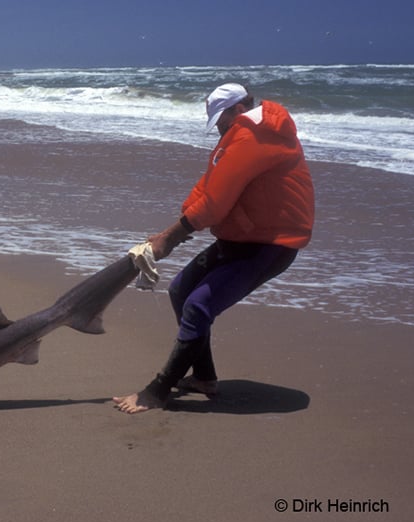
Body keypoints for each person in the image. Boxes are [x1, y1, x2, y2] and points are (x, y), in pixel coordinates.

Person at [113, 83, 315, 413]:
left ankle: (157, 391)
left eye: (221, 119)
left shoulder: (256, 136)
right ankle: (204, 378)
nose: (219, 127)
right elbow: (210, 186)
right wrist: (178, 222)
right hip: (241, 238)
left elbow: (216, 205)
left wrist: (171, 237)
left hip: (271, 244)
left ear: (239, 108)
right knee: (180, 291)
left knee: (197, 306)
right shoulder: (239, 133)